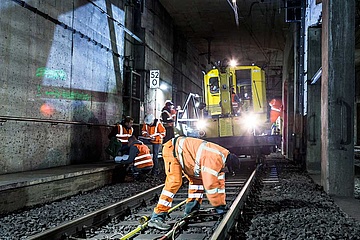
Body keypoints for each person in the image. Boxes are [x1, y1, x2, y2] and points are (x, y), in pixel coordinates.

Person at [147, 136, 237, 231]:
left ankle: (191, 210)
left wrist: (222, 204)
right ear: (227, 165)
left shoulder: (222, 159)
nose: (226, 173)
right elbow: (210, 185)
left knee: (197, 182)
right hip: (173, 150)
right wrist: (218, 206)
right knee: (174, 182)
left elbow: (220, 185)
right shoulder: (214, 159)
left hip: (187, 157)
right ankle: (157, 216)